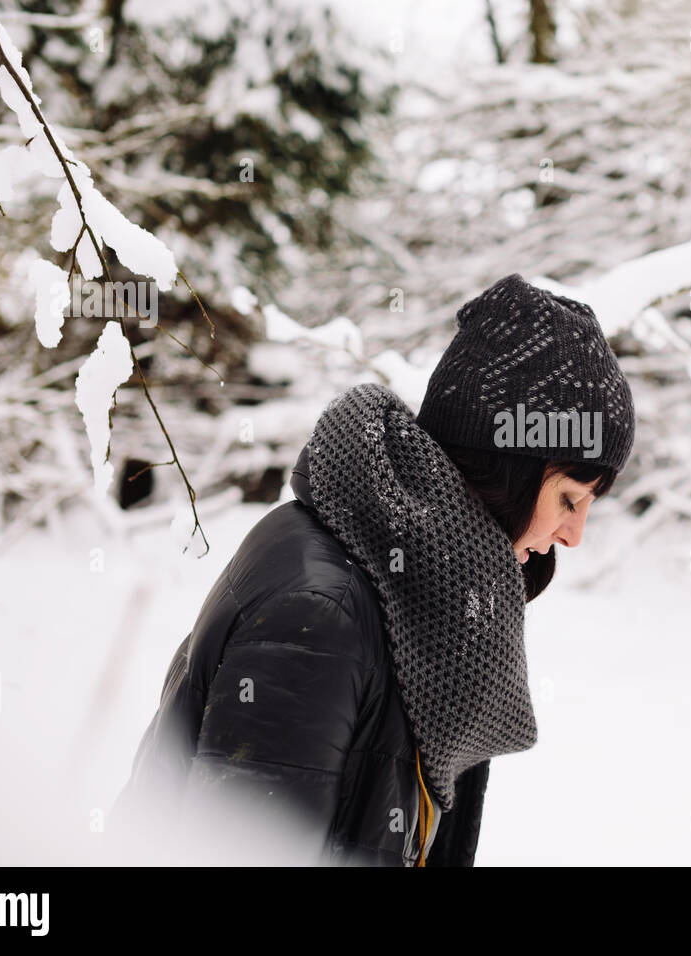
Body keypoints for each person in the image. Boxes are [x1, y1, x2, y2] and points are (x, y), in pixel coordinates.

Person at [109, 273, 636, 866]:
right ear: (507, 468)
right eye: (569, 499)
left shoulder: (424, 597)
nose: (575, 536)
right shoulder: (320, 612)